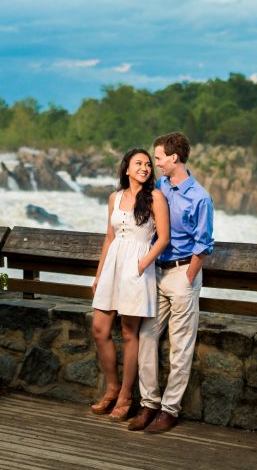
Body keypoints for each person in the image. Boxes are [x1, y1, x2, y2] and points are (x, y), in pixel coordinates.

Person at [128, 132, 214, 433]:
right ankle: (149, 404)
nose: (157, 163)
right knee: (147, 336)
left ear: (174, 157)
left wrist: (188, 276)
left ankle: (169, 410)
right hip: (157, 273)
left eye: (160, 157)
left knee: (180, 346)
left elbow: (204, 244)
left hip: (181, 275)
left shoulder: (200, 197)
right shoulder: (161, 186)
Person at [90, 148, 170, 421]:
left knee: (128, 333)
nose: (145, 168)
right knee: (99, 329)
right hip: (112, 266)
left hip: (137, 268)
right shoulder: (114, 197)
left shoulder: (155, 197)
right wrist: (99, 275)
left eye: (149, 164)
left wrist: (141, 264)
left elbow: (163, 238)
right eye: (139, 163)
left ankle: (126, 396)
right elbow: (109, 237)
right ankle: (112, 388)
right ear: (126, 169)